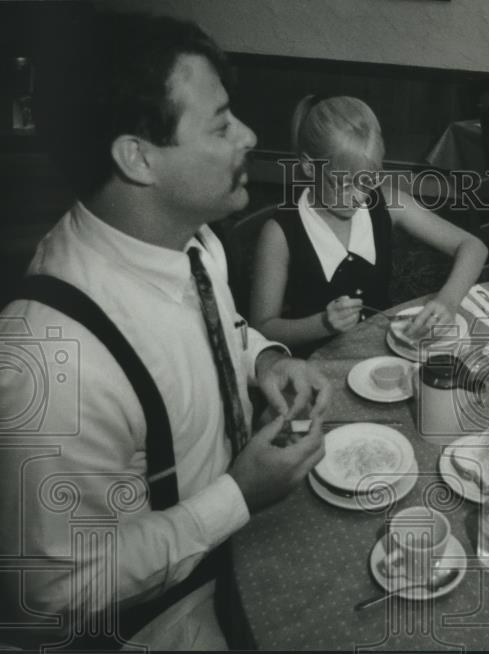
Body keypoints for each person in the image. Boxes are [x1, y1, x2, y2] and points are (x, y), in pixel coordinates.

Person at [0, 13, 333, 650]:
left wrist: (263, 361)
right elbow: (50, 593)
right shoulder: (47, 359)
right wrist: (238, 495)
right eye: (221, 123)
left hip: (237, 545)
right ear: (138, 157)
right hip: (159, 621)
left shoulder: (193, 240)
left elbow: (222, 330)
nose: (250, 135)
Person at [249, 96, 487, 356]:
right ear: (309, 166)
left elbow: (473, 246)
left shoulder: (386, 201)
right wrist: (322, 324)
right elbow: (262, 328)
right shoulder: (280, 233)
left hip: (382, 353)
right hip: (317, 367)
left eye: (368, 181)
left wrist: (448, 300)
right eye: (344, 184)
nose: (359, 196)